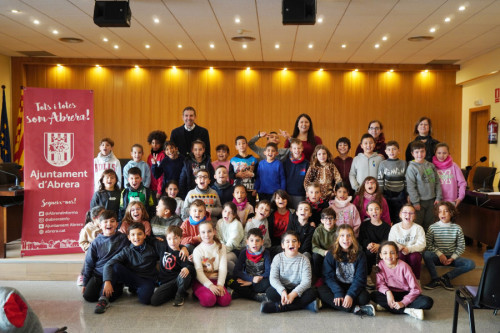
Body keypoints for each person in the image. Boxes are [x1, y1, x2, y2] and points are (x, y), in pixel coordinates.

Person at [317, 224, 374, 317]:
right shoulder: (331, 254)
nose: (346, 239)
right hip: (336, 287)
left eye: (349, 235)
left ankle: (333, 304)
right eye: (342, 236)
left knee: (364, 298)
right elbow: (328, 277)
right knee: (320, 290)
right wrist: (338, 292)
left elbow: (360, 279)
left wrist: (350, 295)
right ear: (337, 238)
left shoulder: (360, 254)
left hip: (352, 287)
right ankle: (355, 309)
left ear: (353, 238)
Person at [370, 241, 434, 320]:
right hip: (392, 294)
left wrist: (403, 302)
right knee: (373, 295)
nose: (389, 256)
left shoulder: (404, 266)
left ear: (397, 255)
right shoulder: (380, 265)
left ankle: (391, 307)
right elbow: (380, 285)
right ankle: (408, 310)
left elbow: (416, 289)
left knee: (427, 302)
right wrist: (388, 293)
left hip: (406, 294)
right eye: (385, 253)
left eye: (392, 253)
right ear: (381, 255)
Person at [81, 210, 129, 314]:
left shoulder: (123, 239)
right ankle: (103, 291)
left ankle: (104, 299)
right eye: (105, 222)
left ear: (117, 224)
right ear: (100, 225)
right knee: (88, 296)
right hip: (98, 274)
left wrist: (109, 281)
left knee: (109, 297)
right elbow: (89, 263)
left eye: (112, 221)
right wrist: (85, 282)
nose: (109, 224)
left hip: (114, 275)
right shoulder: (96, 242)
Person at [260, 231, 319, 313]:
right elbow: (273, 278)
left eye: (294, 241)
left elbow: (306, 282)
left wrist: (293, 294)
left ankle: (279, 307)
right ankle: (306, 305)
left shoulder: (304, 259)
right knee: (270, 292)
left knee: (312, 292)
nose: (291, 243)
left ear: (299, 244)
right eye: (287, 241)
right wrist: (282, 291)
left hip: (298, 290)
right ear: (282, 245)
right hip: (283, 289)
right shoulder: (278, 258)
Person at [102, 223, 158, 306]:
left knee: (146, 300)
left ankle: (137, 289)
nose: (136, 237)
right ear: (129, 237)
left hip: (147, 280)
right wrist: (107, 281)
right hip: (132, 278)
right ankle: (103, 299)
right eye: (133, 235)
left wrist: (182, 248)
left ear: (144, 236)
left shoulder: (152, 248)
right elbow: (109, 263)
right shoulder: (126, 250)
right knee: (116, 267)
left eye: (139, 234)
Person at [423, 201, 475, 290]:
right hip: (437, 257)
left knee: (470, 264)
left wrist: (453, 258)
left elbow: (461, 246)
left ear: (451, 213)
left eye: (446, 211)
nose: (442, 213)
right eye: (440, 211)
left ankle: (445, 278)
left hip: (451, 259)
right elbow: (428, 244)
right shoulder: (432, 227)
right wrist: (440, 254)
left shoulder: (457, 228)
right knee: (426, 254)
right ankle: (435, 279)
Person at [150, 225, 193, 306]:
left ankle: (180, 294)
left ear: (181, 238)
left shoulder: (182, 253)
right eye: (169, 239)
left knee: (185, 273)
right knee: (154, 301)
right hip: (165, 282)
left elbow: (190, 266)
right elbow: (149, 239)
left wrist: (187, 268)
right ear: (166, 238)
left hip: (177, 281)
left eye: (175, 238)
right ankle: (175, 292)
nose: (172, 242)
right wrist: (157, 237)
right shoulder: (162, 246)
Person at [192, 220, 232, 307]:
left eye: (209, 231)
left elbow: (223, 268)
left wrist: (220, 285)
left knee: (225, 301)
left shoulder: (221, 247)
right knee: (209, 300)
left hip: (216, 280)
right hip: (202, 281)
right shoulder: (197, 250)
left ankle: (213, 292)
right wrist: (209, 286)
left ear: (214, 232)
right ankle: (198, 292)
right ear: (199, 234)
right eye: (203, 232)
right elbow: (198, 272)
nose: (206, 235)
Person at [406, 141, 442, 231]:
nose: (420, 154)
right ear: (412, 153)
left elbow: (437, 182)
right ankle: (419, 245)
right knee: (418, 225)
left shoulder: (430, 165)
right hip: (419, 202)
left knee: (429, 224)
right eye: (417, 152)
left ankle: (428, 244)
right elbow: (411, 186)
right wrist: (415, 202)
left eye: (422, 151)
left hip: (432, 201)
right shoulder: (411, 168)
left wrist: (438, 197)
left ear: (425, 152)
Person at [228, 228, 271, 302]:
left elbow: (268, 272)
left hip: (259, 282)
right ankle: (255, 296)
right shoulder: (244, 253)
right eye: (251, 240)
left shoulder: (266, 253)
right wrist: (251, 279)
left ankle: (240, 292)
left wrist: (252, 282)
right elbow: (236, 271)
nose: (254, 243)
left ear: (262, 242)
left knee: (269, 282)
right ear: (247, 242)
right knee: (229, 280)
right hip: (247, 279)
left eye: (257, 240)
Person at [388, 204, 426, 280]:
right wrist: (399, 247)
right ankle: (400, 280)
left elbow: (422, 244)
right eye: (405, 212)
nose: (408, 215)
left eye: (411, 213)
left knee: (415, 257)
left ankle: (415, 280)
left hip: (413, 252)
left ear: (414, 216)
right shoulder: (395, 227)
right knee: (399, 256)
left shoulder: (418, 228)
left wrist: (408, 249)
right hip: (399, 251)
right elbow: (391, 243)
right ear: (400, 215)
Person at [359, 201, 391, 288]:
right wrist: (368, 244)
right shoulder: (364, 225)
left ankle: (387, 278)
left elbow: (387, 240)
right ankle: (367, 276)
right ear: (367, 212)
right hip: (369, 249)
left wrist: (379, 246)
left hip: (382, 250)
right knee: (366, 254)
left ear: (381, 211)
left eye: (377, 209)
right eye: (371, 209)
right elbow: (362, 239)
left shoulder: (386, 227)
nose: (374, 211)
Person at [378, 140, 407, 224]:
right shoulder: (383, 164)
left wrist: (407, 193)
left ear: (399, 150)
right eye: (389, 149)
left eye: (394, 149)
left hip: (401, 194)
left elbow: (406, 179)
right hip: (388, 194)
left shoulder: (403, 163)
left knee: (400, 216)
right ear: (385, 151)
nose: (391, 151)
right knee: (388, 216)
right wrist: (380, 193)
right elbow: (380, 179)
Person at [77, 206, 105, 286]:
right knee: (89, 258)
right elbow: (82, 242)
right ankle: (82, 275)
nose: (104, 218)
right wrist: (91, 247)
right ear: (94, 218)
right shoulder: (87, 229)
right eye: (101, 216)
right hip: (92, 250)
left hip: (104, 250)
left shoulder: (105, 225)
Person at [216, 202, 245, 274]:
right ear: (222, 212)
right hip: (223, 249)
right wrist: (220, 248)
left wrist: (220, 252)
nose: (227, 214)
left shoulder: (236, 224)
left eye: (230, 212)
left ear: (234, 215)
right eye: (225, 211)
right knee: (226, 263)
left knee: (222, 260)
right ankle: (229, 278)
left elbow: (232, 243)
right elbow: (218, 238)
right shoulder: (219, 222)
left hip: (236, 251)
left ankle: (236, 277)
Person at [230, 135, 259, 206]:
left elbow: (258, 175)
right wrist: (237, 175)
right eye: (239, 144)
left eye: (243, 143)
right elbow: (230, 175)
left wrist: (252, 174)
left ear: (247, 145)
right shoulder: (233, 160)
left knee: (251, 208)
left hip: (250, 189)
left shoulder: (253, 159)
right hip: (238, 191)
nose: (241, 145)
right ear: (236, 147)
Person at [283, 138, 309, 209]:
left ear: (302, 148)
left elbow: (309, 180)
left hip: (300, 194)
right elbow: (282, 177)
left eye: (299, 148)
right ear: (290, 149)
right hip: (287, 194)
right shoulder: (286, 163)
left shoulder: (306, 164)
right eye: (294, 148)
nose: (297, 150)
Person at [311, 207, 337, 277]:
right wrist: (324, 252)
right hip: (322, 254)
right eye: (326, 218)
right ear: (321, 221)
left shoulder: (338, 230)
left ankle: (333, 276)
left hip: (334, 253)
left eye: (331, 218)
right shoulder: (318, 230)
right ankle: (318, 277)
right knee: (315, 257)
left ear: (335, 220)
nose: (328, 221)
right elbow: (314, 247)